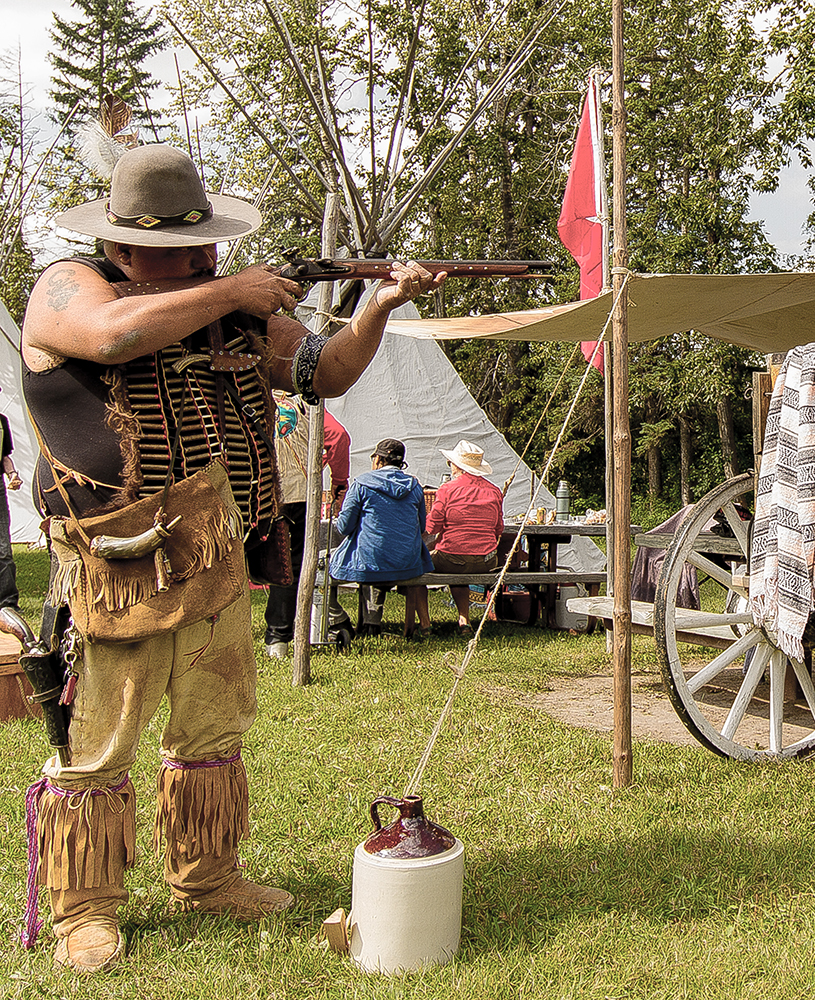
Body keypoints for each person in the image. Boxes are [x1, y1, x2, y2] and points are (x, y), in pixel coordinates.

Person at [18, 143, 444, 974]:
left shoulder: (232, 312)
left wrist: (379, 307)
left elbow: (329, 371)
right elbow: (110, 337)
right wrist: (232, 290)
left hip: (212, 553)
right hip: (116, 561)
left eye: (208, 249)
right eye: (187, 251)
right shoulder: (68, 287)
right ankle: (84, 908)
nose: (205, 260)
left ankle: (207, 875)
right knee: (98, 748)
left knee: (212, 730)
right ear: (125, 247)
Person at [263, 390, 350, 658]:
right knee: (292, 564)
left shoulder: (251, 396)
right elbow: (338, 437)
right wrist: (338, 479)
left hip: (255, 491)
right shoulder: (304, 404)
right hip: (297, 493)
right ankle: (278, 638)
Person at [329, 438, 434, 639]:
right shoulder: (414, 486)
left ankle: (339, 619)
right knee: (376, 554)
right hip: (406, 561)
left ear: (378, 460)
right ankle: (370, 625)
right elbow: (421, 525)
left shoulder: (361, 484)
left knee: (319, 569)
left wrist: (340, 510)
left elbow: (344, 527)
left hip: (372, 559)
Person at [426, 440, 507, 632]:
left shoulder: (447, 489)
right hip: (486, 561)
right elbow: (498, 529)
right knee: (460, 563)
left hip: (452, 559)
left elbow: (432, 526)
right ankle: (464, 620)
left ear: (456, 465)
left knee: (418, 565)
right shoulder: (494, 491)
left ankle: (424, 624)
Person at [0, 404, 22, 611]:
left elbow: (5, 457)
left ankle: (7, 604)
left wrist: (12, 474)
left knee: (3, 549)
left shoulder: (1, 421)